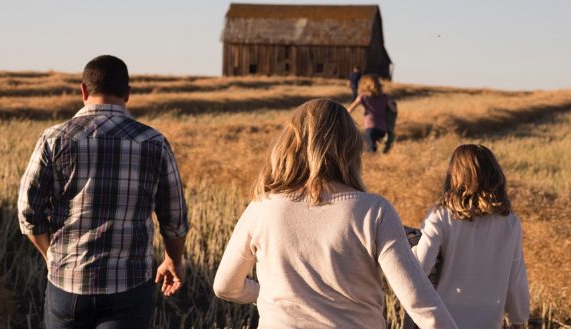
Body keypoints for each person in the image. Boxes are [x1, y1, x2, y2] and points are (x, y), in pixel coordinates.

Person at [212, 99, 458, 329]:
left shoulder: (261, 207)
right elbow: (422, 307)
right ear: (351, 148)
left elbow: (225, 286)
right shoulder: (374, 211)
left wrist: (267, 295)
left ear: (289, 144)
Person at [17, 55, 188, 329]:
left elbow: (28, 213)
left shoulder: (54, 138)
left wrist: (51, 257)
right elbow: (174, 219)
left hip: (67, 286)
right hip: (129, 287)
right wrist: (173, 260)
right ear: (128, 94)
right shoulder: (154, 142)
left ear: (83, 91)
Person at [413, 144, 530, 329]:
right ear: (495, 176)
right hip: (489, 322)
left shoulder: (440, 215)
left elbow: (419, 267)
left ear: (454, 176)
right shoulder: (510, 223)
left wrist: (411, 246)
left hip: (445, 321)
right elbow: (515, 278)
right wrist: (518, 318)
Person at [348, 75, 398, 153]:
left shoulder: (363, 97)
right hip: (382, 128)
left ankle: (374, 160)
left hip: (370, 127)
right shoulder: (385, 97)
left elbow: (350, 109)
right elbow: (394, 110)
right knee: (375, 147)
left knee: (370, 150)